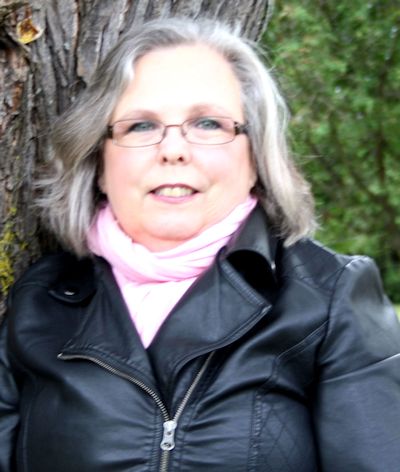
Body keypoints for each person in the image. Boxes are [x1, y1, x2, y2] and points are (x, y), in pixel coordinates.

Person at [1, 16, 399, 472]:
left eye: (208, 123)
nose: (173, 150)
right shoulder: (39, 302)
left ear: (256, 157)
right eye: (141, 126)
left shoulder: (328, 298)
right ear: (99, 162)